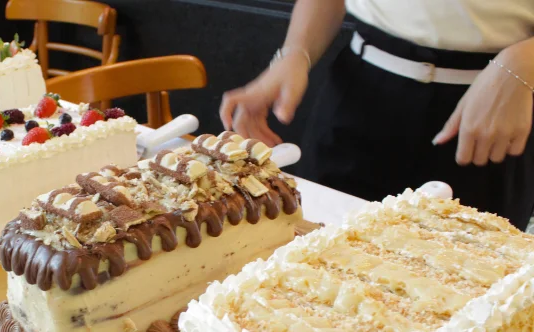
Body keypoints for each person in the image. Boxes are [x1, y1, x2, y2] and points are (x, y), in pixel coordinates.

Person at [220, 0, 534, 229]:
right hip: (359, 92)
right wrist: (294, 53)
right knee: (315, 255)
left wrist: (524, 62)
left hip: (493, 104)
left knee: (476, 283)